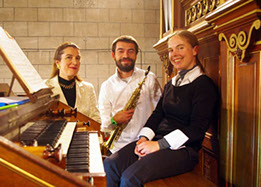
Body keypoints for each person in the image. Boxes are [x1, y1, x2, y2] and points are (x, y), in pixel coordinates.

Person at [103, 30, 219, 186]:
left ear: (195, 50)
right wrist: (143, 139)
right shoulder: (171, 84)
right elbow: (157, 115)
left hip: (184, 150)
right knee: (111, 165)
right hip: (157, 140)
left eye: (180, 48)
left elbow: (196, 130)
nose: (174, 54)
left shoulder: (204, 85)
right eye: (171, 50)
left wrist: (158, 145)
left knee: (130, 178)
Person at [98, 35, 162, 154]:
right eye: (120, 51)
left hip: (146, 146)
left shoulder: (149, 78)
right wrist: (114, 120)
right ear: (113, 55)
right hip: (118, 149)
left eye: (130, 51)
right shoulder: (106, 86)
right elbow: (105, 125)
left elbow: (161, 112)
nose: (126, 56)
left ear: (136, 55)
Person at [45, 42, 101, 123]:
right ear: (58, 63)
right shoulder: (44, 88)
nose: (75, 62)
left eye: (77, 58)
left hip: (83, 134)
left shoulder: (88, 88)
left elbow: (96, 119)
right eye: (69, 57)